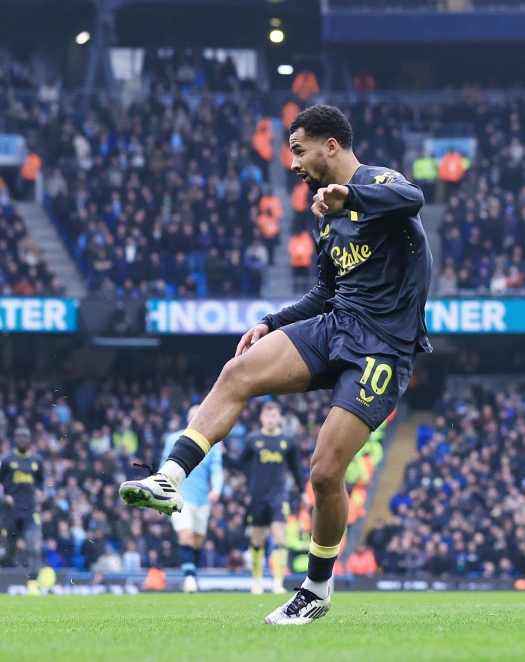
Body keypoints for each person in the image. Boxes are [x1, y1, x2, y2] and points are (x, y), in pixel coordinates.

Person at [120, 104, 432, 624]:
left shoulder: (378, 181)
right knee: (236, 370)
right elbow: (325, 292)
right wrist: (270, 321)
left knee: (325, 471)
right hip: (336, 326)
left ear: (330, 145)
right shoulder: (326, 218)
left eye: (298, 150)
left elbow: (413, 198)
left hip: (383, 347)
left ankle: (316, 589)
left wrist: (349, 195)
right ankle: (169, 476)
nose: (293, 163)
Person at [236, 401, 304, 595]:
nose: (271, 419)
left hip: (278, 496)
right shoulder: (252, 440)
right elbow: (241, 464)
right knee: (257, 539)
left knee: (279, 536)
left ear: (279, 419)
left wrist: (303, 491)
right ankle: (257, 582)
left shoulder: (287, 441)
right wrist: (224, 455)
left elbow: (296, 469)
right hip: (257, 497)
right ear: (262, 418)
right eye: (268, 416)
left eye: (274, 416)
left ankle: (277, 582)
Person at [158, 407, 223, 593]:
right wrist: (164, 492)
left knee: (197, 541)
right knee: (185, 535)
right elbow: (166, 464)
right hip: (181, 497)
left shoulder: (213, 444)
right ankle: (189, 579)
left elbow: (217, 469)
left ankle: (192, 574)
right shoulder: (174, 439)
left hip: (203, 500)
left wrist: (217, 489)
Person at [0, 426, 45, 594]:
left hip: (30, 512)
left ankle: (33, 584)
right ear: (14, 439)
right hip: (11, 512)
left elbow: (42, 484)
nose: (22, 439)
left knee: (35, 547)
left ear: (30, 439)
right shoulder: (6, 459)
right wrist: (4, 498)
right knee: (9, 554)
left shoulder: (37, 461)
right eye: (19, 436)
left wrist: (42, 494)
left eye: (25, 436)